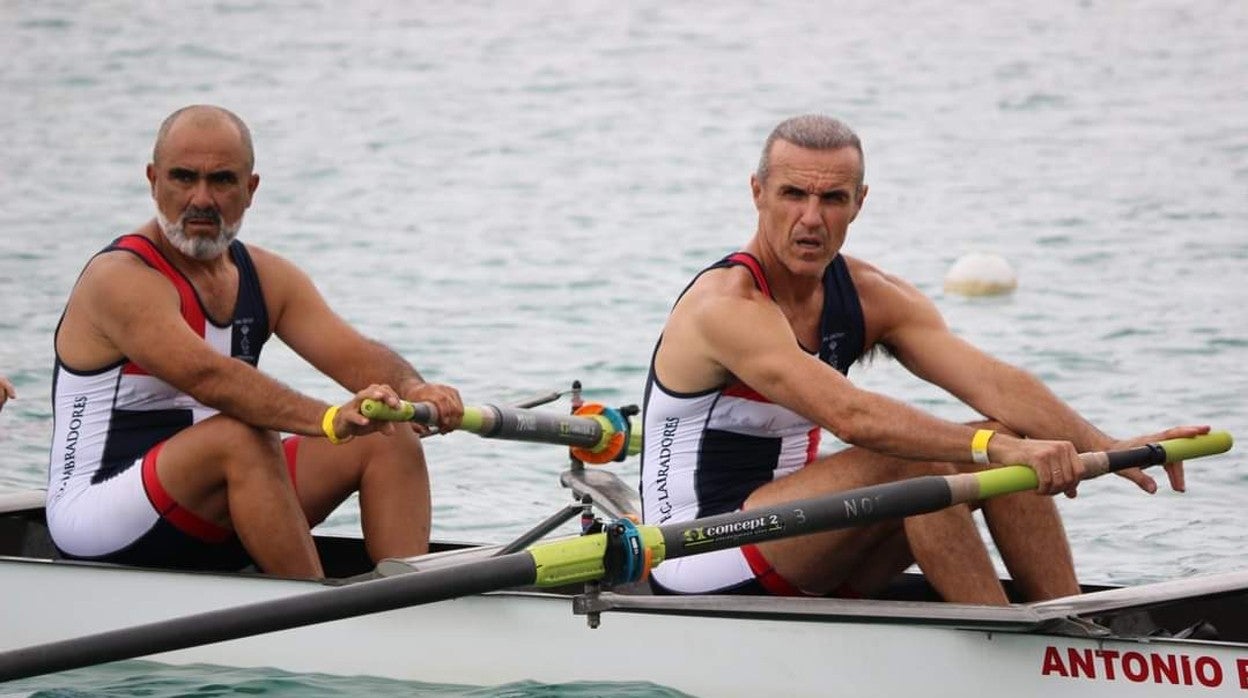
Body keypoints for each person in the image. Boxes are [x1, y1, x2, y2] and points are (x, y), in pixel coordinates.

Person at [639, 114, 1207, 604]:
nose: (811, 217)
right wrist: (996, 447)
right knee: (923, 461)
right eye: (793, 194)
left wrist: (1107, 446)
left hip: (808, 540)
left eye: (832, 198)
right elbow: (852, 417)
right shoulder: (727, 306)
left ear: (859, 203)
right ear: (757, 191)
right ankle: (1000, 654)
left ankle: (1065, 632)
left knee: (1002, 438)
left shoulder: (871, 295)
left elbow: (993, 383)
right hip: (698, 550)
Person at [47, 104, 464, 580]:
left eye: (221, 180)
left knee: (389, 432)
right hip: (98, 517)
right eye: (184, 178)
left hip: (220, 502)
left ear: (250, 190)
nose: (201, 199)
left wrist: (414, 391)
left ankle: (412, 605)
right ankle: (320, 613)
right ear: (153, 181)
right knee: (244, 431)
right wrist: (329, 419)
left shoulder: (266, 277)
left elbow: (353, 354)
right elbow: (210, 378)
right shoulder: (120, 279)